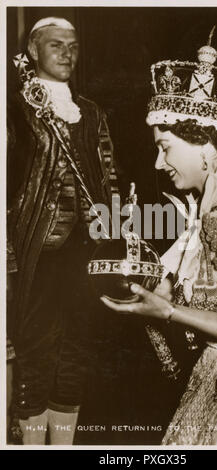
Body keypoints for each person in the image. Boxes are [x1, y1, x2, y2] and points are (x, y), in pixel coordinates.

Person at [101, 34, 217, 445]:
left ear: (204, 145)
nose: (158, 162)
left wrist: (167, 311)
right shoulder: (214, 204)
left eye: (165, 147)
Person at [7, 17, 119, 445]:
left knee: (77, 349)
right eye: (57, 46)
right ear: (34, 51)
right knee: (36, 351)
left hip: (87, 250)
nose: (68, 54)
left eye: (73, 46)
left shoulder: (90, 111)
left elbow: (107, 172)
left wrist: (110, 222)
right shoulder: (14, 108)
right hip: (37, 247)